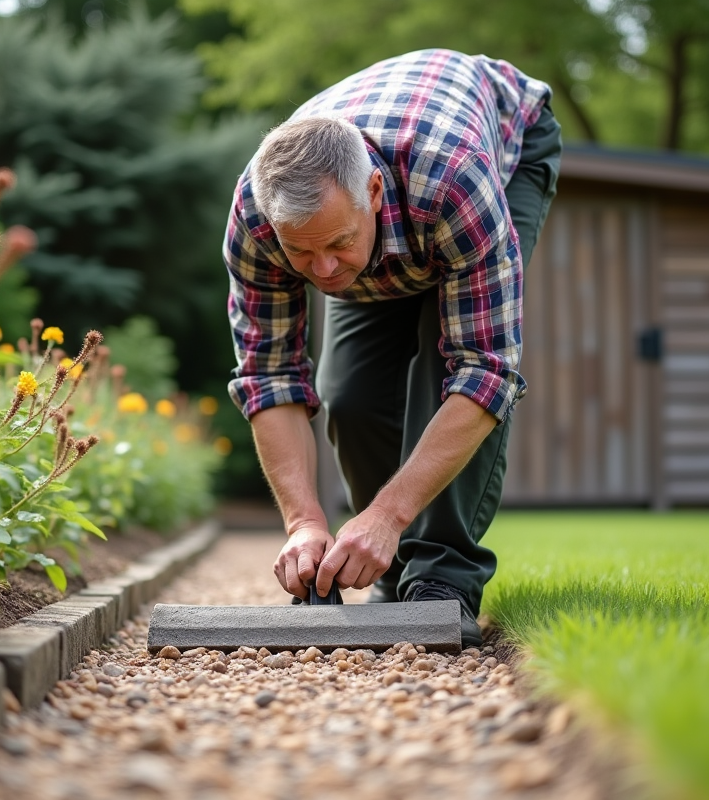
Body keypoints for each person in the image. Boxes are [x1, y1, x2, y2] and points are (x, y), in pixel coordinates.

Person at [223, 49, 561, 647]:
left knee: (446, 372)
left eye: (337, 243)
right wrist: (302, 522)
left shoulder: (456, 180)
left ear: (373, 191)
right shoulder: (255, 221)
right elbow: (269, 377)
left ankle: (441, 580)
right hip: (398, 209)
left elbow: (484, 372)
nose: (323, 271)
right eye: (301, 253)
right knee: (348, 395)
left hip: (504, 151)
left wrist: (388, 514)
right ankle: (390, 567)